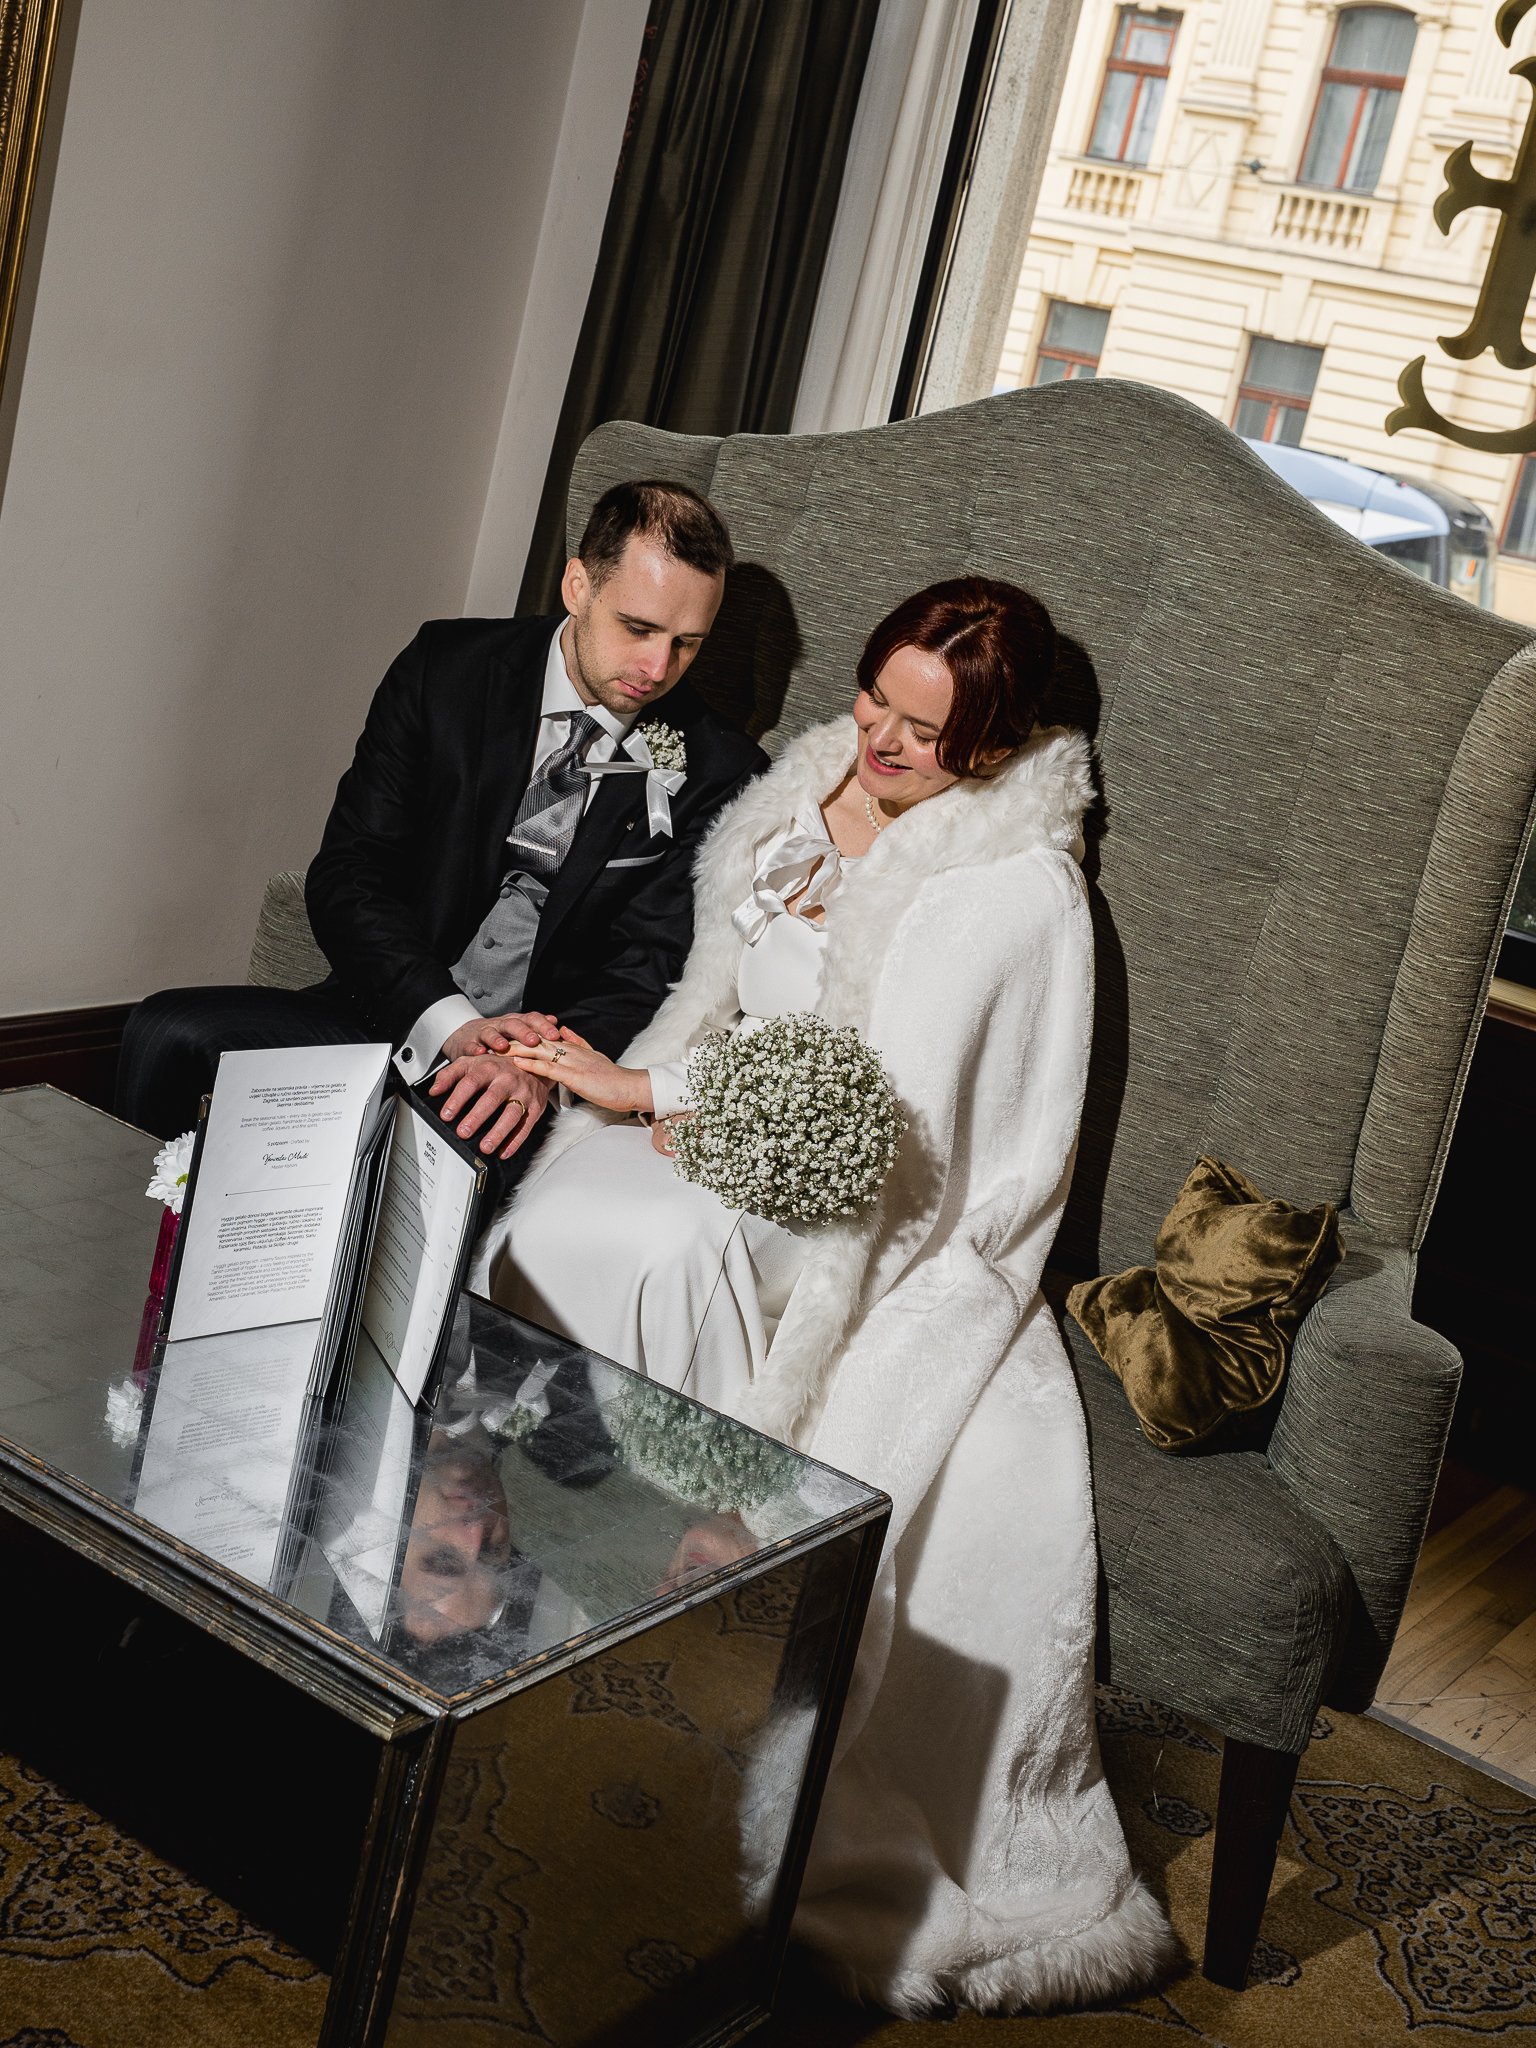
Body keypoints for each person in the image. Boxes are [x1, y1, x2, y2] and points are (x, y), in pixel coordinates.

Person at [469, 577, 1178, 2013]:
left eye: (926, 728)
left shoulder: (1008, 895)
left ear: (994, 744)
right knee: (546, 1217)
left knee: (648, 1250)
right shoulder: (810, 782)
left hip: (856, 1203)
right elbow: (719, 989)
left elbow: (892, 1138)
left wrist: (654, 1093)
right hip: (723, 1125)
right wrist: (627, 1084)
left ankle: (654, 1633)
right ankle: (525, 1589)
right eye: (876, 699)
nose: (882, 738)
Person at [114, 481, 768, 1199]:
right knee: (167, 1033)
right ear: (578, 583)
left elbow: (649, 966)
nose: (656, 669)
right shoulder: (446, 668)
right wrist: (448, 1022)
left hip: (530, 1075)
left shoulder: (718, 769)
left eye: (686, 645)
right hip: (389, 1014)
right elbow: (348, 873)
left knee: (444, 1169)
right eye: (638, 628)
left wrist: (532, 1065)